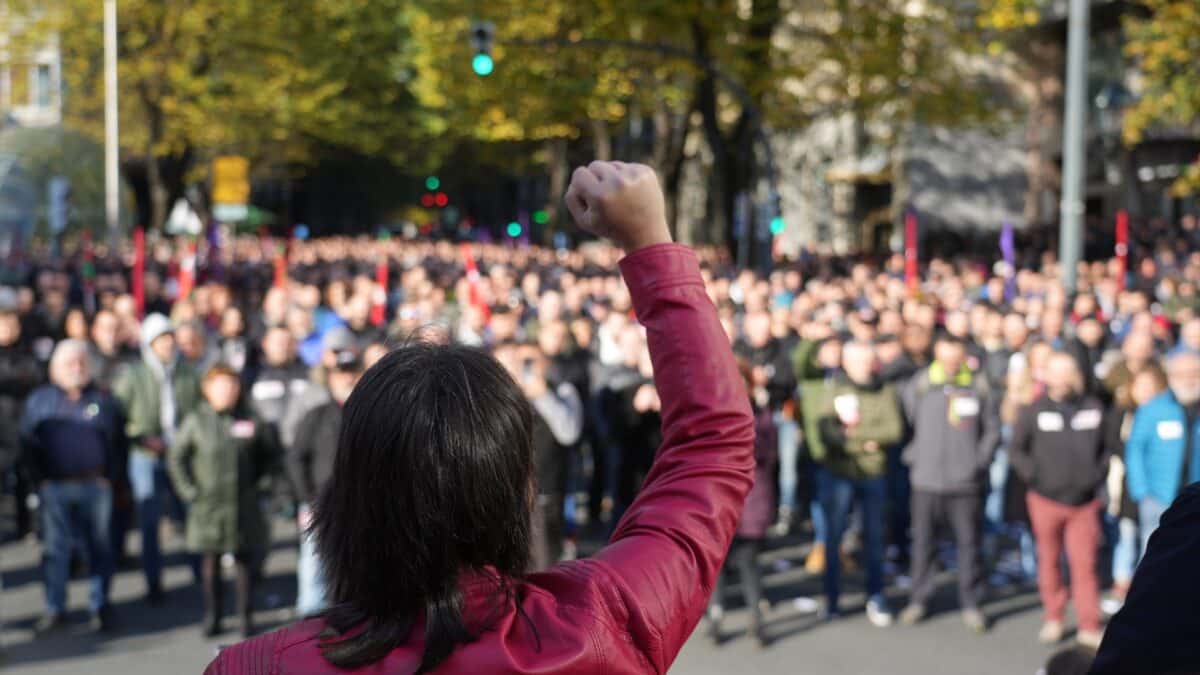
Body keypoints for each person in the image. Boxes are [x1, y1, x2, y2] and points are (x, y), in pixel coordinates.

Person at [207, 161, 755, 674]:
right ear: (517, 490)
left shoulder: (258, 667)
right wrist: (651, 243)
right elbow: (712, 445)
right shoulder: (600, 625)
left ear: (347, 497)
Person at [19, 339, 126, 632]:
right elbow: (27, 445)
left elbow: (118, 443)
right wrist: (39, 480)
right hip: (56, 487)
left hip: (96, 485)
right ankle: (55, 608)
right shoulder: (40, 401)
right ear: (55, 369)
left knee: (99, 549)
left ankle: (100, 604)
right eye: (70, 363)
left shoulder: (104, 400)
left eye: (82, 362)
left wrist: (111, 478)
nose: (77, 368)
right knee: (57, 551)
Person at [1009, 352, 1113, 648]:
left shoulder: (1092, 408)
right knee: (1049, 561)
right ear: (1046, 375)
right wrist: (1035, 476)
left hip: (1084, 503)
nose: (1063, 378)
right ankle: (1053, 618)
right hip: (1045, 500)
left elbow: (1107, 448)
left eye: (1068, 371)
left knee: (1085, 564)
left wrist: (1095, 476)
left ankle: (1088, 624)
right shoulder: (1033, 411)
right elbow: (1017, 450)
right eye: (1057, 372)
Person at [168, 364, 281, 638]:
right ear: (207, 390)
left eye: (231, 385)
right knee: (211, 563)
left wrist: (263, 485)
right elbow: (176, 458)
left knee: (244, 561)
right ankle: (213, 615)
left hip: (243, 503)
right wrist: (190, 491)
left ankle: (245, 615)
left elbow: (270, 456)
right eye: (220, 385)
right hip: (209, 505)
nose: (226, 391)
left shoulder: (251, 418)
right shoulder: (196, 420)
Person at [899, 334, 999, 633]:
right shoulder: (920, 384)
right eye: (945, 359)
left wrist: (978, 462)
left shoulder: (978, 385)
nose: (951, 365)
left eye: (956, 359)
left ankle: (971, 602)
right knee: (922, 544)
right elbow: (905, 423)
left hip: (965, 483)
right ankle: (919, 599)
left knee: (969, 545)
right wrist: (913, 456)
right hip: (926, 481)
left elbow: (992, 430)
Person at [803, 340, 905, 626]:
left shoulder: (884, 390)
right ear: (845, 363)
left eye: (867, 360)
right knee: (833, 537)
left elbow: (893, 429)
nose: (862, 366)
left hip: (873, 474)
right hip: (839, 473)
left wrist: (852, 438)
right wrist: (862, 441)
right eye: (857, 361)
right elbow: (826, 429)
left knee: (873, 538)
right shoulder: (834, 389)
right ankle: (832, 598)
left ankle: (876, 595)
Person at [114, 313, 201, 603]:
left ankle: (201, 574)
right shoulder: (134, 374)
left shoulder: (187, 372)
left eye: (170, 338)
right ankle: (153, 582)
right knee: (149, 519)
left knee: (190, 513)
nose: (167, 344)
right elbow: (119, 413)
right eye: (161, 339)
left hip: (180, 453)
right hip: (145, 455)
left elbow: (197, 409)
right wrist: (139, 436)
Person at [706, 360, 778, 646]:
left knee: (748, 561)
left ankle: (756, 619)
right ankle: (715, 615)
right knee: (718, 565)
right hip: (717, 502)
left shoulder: (762, 418)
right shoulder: (708, 415)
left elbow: (769, 456)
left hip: (751, 499)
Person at [286, 349, 363, 617]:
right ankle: (309, 615)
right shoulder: (316, 416)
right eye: (342, 373)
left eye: (353, 372)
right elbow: (296, 459)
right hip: (319, 503)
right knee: (313, 563)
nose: (348, 378)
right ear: (331, 378)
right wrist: (307, 498)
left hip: (360, 504)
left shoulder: (371, 417)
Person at [1124, 350, 1200, 556]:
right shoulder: (1153, 409)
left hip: (1196, 497)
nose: (1189, 379)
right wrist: (1141, 491)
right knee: (1154, 558)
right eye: (1182, 374)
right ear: (1171, 377)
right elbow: (1135, 449)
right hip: (1160, 497)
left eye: (1194, 373)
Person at [0, 299, 44, 540]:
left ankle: (27, 525)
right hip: (1, 429)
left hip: (22, 425)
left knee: (25, 481)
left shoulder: (27, 350)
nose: (8, 329)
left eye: (11, 324)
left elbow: (35, 376)